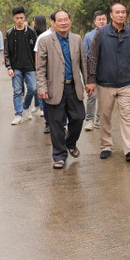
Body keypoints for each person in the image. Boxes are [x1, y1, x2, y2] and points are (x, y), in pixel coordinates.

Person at [87, 2, 130, 162]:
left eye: (123, 12)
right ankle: (106, 146)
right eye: (117, 12)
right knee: (105, 116)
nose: (121, 15)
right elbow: (92, 56)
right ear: (111, 15)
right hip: (105, 83)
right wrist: (91, 79)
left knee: (127, 115)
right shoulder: (101, 33)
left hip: (125, 82)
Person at [35, 9, 89, 169]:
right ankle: (59, 155)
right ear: (53, 23)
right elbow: (40, 68)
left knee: (79, 117)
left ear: (70, 21)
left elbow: (83, 64)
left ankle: (70, 142)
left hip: (73, 86)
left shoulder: (77, 39)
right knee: (56, 123)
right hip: (53, 89)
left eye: (66, 19)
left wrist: (88, 82)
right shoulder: (45, 41)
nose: (64, 23)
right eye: (60, 20)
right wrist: (42, 87)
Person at [5, 6, 38, 125]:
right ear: (14, 18)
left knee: (33, 88)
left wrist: (37, 65)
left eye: (21, 18)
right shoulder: (10, 33)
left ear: (24, 18)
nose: (19, 20)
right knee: (17, 91)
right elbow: (7, 51)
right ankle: (18, 114)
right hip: (16, 67)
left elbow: (36, 49)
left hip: (30, 66)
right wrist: (9, 67)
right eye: (17, 18)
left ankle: (25, 106)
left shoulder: (31, 31)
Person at [81, 10, 108, 132]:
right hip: (93, 72)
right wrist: (87, 76)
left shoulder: (111, 33)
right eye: (99, 19)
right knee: (92, 96)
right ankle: (89, 120)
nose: (102, 21)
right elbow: (85, 56)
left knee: (104, 97)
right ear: (95, 22)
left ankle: (99, 119)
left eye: (104, 19)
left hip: (107, 72)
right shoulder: (88, 36)